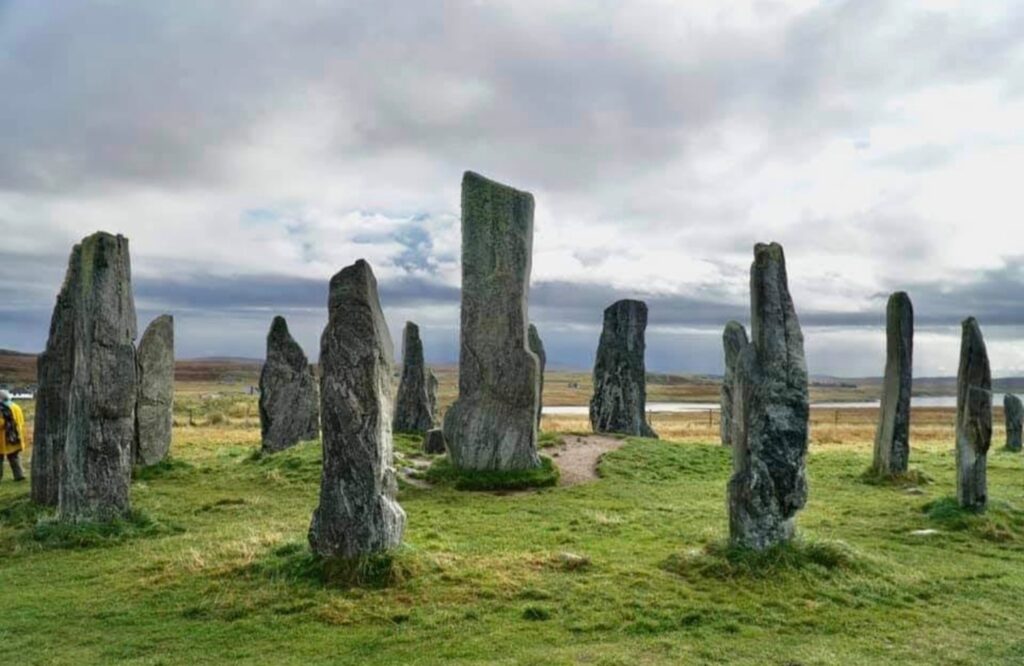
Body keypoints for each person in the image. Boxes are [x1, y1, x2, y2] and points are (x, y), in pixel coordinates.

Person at [0, 389, 26, 482]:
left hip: (3, 438)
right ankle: (19, 475)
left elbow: (1, 423)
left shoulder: (2, 408)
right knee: (14, 457)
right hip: (16, 436)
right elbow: (21, 420)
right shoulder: (16, 406)